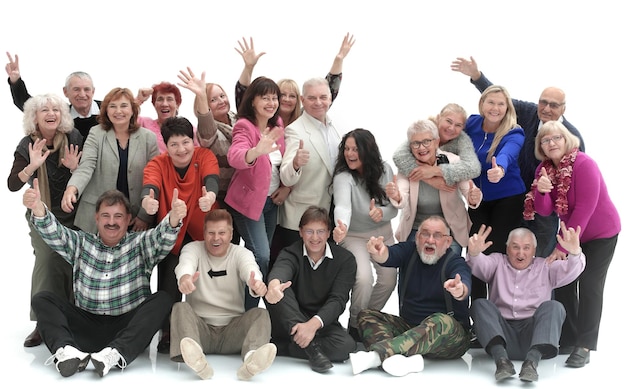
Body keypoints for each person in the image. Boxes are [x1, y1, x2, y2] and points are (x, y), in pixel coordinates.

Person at [24, 183, 187, 378]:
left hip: (127, 328)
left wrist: (175, 216)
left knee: (162, 299)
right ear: (96, 218)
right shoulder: (81, 243)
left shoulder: (141, 243)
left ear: (128, 219)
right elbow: (55, 233)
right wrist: (38, 208)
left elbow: (163, 236)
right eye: (106, 216)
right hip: (86, 326)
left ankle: (116, 354)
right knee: (42, 299)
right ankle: (67, 352)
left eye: (118, 216)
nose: (112, 222)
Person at [451, 56, 586, 258]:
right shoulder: (529, 113)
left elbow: (573, 184)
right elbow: (501, 102)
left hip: (544, 208)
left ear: (563, 109)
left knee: (540, 261)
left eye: (554, 105)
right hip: (513, 199)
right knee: (507, 256)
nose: (547, 109)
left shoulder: (571, 137)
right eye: (544, 102)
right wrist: (477, 76)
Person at [523, 120, 620, 368]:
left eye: (556, 137)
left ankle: (585, 344)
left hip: (601, 233)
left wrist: (563, 248)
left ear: (566, 140)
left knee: (589, 284)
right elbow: (545, 212)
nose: (551, 143)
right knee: (564, 282)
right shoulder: (544, 171)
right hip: (571, 233)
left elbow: (586, 208)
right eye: (545, 140)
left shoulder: (585, 164)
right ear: (541, 146)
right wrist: (542, 192)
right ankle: (568, 338)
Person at [140, 83, 219, 353]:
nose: (182, 148)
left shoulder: (203, 155)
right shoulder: (158, 163)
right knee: (168, 284)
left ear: (192, 140)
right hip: (172, 233)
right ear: (167, 145)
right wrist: (148, 201)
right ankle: (167, 333)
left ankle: (206, 331)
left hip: (201, 233)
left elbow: (211, 179)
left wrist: (210, 197)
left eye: (186, 141)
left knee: (203, 282)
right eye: (175, 144)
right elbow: (149, 186)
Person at [349, 215, 472, 377]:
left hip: (450, 339)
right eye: (425, 234)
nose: (430, 240)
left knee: (441, 321)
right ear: (417, 238)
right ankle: (400, 360)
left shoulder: (454, 261)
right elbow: (388, 255)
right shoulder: (409, 251)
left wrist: (459, 289)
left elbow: (463, 280)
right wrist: (380, 253)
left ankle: (376, 356)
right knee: (366, 315)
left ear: (448, 242)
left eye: (437, 236)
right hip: (410, 329)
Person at [7, 93, 83, 348]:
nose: (51, 114)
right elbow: (12, 184)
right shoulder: (27, 144)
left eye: (55, 109)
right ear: (34, 117)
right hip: (41, 212)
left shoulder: (73, 138)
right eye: (44, 110)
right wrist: (32, 165)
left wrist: (75, 168)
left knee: (73, 262)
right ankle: (43, 322)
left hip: (72, 213)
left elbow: (86, 174)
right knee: (47, 259)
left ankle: (70, 318)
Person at [466, 223, 586, 382]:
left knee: (554, 306)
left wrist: (575, 252)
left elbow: (572, 270)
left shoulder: (545, 266)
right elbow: (479, 264)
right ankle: (502, 362)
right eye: (515, 247)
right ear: (507, 248)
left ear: (534, 251)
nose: (520, 253)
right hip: (501, 336)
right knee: (480, 304)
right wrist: (474, 253)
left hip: (535, 337)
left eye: (526, 248)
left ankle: (531, 364)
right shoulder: (497, 262)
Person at [170, 209, 276, 380]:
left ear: (231, 233)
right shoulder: (193, 248)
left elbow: (250, 269)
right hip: (200, 329)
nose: (216, 238)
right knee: (180, 307)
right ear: (204, 233)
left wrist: (256, 283)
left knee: (261, 313)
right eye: (211, 233)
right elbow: (185, 265)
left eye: (222, 233)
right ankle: (196, 359)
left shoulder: (241, 253)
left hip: (233, 331)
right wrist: (185, 278)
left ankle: (251, 360)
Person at [264, 206, 356, 373]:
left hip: (321, 323)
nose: (315, 238)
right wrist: (273, 285)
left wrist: (312, 326)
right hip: (289, 320)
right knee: (280, 290)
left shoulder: (345, 260)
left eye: (320, 231)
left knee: (347, 346)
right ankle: (312, 349)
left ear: (329, 233)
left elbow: (338, 300)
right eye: (309, 231)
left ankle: (285, 347)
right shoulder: (290, 253)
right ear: (300, 232)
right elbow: (280, 272)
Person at [61, 87, 159, 234]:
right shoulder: (96, 133)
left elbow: (155, 177)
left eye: (124, 106)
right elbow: (86, 166)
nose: (118, 111)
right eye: (112, 106)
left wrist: (144, 215)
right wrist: (71, 189)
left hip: (136, 215)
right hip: (98, 215)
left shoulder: (148, 138)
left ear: (133, 110)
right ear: (106, 110)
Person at [330, 129, 398, 341]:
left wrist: (382, 212)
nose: (350, 154)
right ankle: (354, 324)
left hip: (382, 234)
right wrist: (341, 226)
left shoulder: (385, 170)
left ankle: (365, 318)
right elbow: (343, 207)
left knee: (389, 279)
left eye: (355, 149)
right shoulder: (343, 177)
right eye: (347, 149)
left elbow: (394, 208)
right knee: (363, 279)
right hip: (354, 236)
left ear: (367, 151)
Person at [226, 76, 285, 310]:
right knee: (260, 257)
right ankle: (248, 310)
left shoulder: (276, 127)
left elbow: (281, 165)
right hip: (247, 204)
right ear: (253, 101)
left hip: (271, 203)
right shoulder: (244, 126)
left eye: (274, 98)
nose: (271, 103)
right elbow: (235, 155)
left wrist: (287, 186)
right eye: (265, 98)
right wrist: (255, 151)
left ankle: (250, 312)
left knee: (262, 256)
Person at [463, 85, 526, 300]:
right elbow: (447, 131)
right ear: (482, 104)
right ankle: (478, 310)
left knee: (497, 252)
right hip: (477, 199)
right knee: (476, 249)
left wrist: (500, 169)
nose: (495, 108)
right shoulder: (470, 123)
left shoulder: (514, 131)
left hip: (508, 199)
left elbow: (509, 152)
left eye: (501, 104)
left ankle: (501, 308)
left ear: (507, 108)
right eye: (491, 102)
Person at [388, 119, 482, 254]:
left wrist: (473, 197)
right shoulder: (406, 166)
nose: (421, 147)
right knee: (409, 269)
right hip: (416, 227)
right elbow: (401, 198)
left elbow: (469, 192)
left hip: (450, 228)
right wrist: (396, 195)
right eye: (416, 143)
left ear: (437, 142)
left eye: (426, 141)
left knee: (450, 270)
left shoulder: (453, 161)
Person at [276, 77, 341, 256]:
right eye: (312, 98)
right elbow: (286, 177)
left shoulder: (334, 128)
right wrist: (295, 163)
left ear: (330, 98)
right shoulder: (295, 130)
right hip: (299, 218)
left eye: (323, 97)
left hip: (328, 216)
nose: (318, 102)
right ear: (303, 101)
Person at [5, 52, 101, 139]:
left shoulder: (108, 108)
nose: (82, 94)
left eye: (87, 89)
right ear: (65, 92)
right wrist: (16, 80)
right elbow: (29, 105)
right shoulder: (61, 113)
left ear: (93, 91)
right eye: (76, 89)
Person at [393, 103, 481, 188]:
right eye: (448, 121)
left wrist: (436, 171)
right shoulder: (426, 129)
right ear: (438, 118)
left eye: (458, 125)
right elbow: (399, 156)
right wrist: (429, 179)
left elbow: (473, 168)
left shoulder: (462, 139)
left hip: (446, 192)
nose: (451, 128)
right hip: (418, 189)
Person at [135, 80, 203, 153]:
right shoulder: (144, 124)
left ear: (177, 104)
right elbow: (125, 119)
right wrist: (138, 100)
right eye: (160, 99)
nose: (164, 104)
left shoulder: (190, 130)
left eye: (169, 99)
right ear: (154, 104)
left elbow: (198, 154)